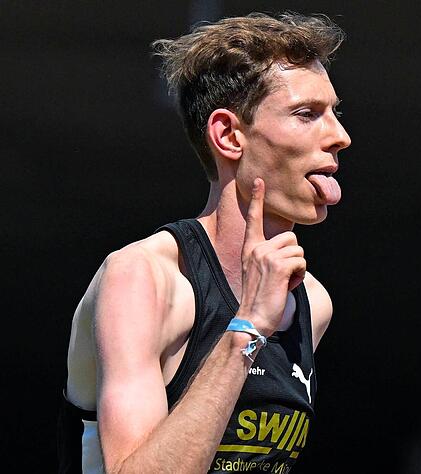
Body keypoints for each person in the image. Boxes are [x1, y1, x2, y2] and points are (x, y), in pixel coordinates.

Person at [57, 11, 351, 473]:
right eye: (307, 114)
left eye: (336, 113)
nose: (340, 136)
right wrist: (248, 327)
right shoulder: (144, 279)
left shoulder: (312, 303)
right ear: (229, 135)